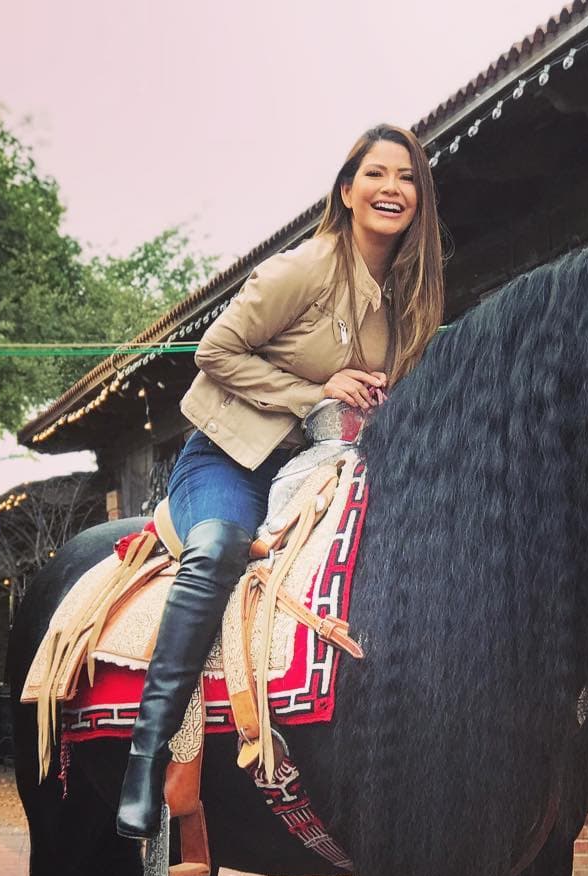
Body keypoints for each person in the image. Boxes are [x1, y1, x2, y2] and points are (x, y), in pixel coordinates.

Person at [116, 124, 446, 839]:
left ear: (421, 197)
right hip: (233, 459)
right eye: (376, 174)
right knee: (217, 550)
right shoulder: (304, 268)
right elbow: (215, 352)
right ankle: (146, 760)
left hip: (331, 466)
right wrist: (315, 391)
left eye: (407, 177)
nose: (392, 188)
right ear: (347, 190)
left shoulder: (411, 295)